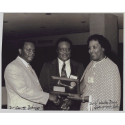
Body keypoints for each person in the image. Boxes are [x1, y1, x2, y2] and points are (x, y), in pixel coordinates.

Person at [68, 34, 121, 111]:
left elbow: (110, 99)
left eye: (94, 47)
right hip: (85, 108)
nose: (91, 51)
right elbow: (83, 87)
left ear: (103, 48)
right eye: (89, 48)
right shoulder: (90, 64)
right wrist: (70, 91)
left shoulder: (111, 67)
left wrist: (82, 98)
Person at [4, 41, 59, 111]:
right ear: (20, 51)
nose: (32, 53)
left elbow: (36, 88)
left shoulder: (27, 66)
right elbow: (23, 91)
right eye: (28, 50)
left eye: (33, 50)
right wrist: (48, 96)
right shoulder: (13, 67)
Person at [39, 37, 84, 110]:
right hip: (52, 108)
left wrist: (72, 101)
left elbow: (82, 89)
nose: (65, 52)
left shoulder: (79, 66)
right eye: (62, 49)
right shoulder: (47, 66)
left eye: (68, 49)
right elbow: (42, 88)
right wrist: (53, 98)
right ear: (57, 50)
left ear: (71, 50)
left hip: (73, 109)